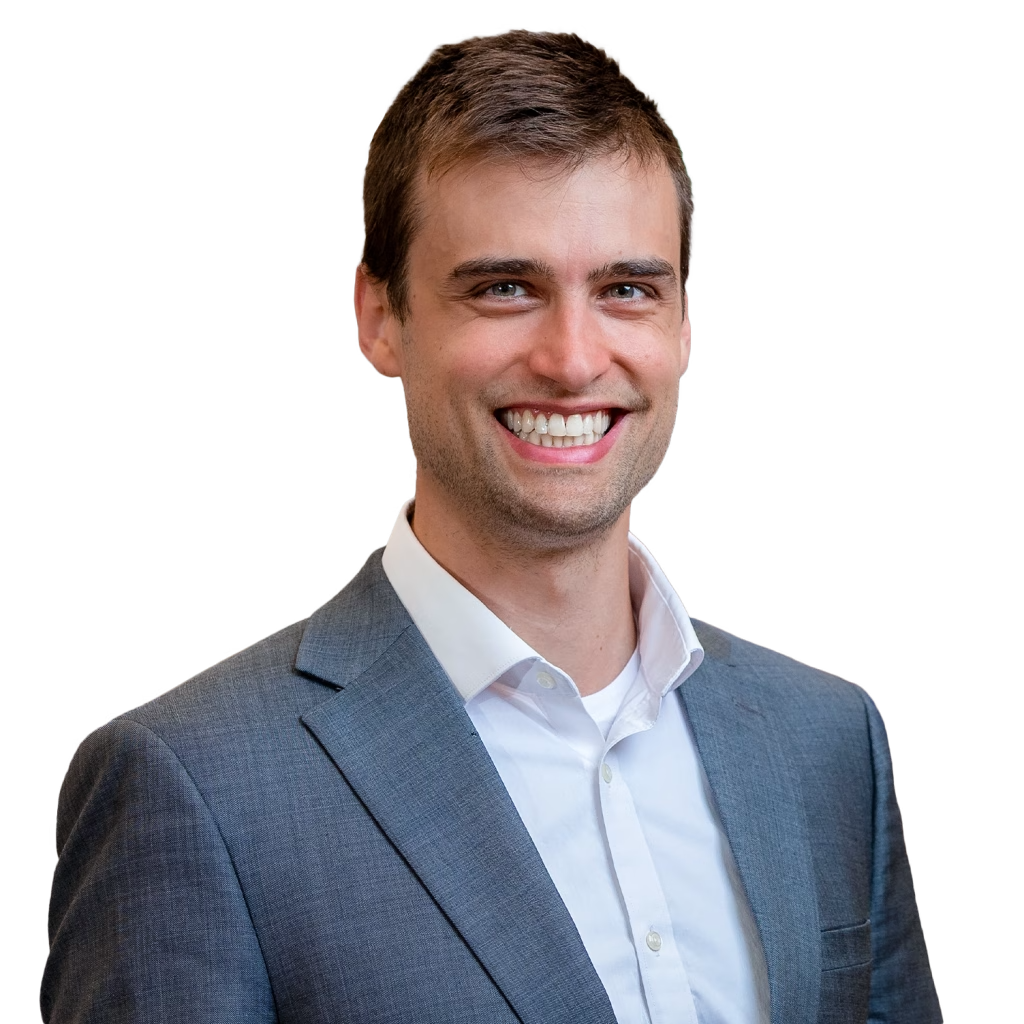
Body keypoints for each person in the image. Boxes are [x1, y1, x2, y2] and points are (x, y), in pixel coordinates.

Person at [42, 27, 941, 1024]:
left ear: (683, 324)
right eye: (504, 287)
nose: (571, 357)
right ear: (378, 315)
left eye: (626, 289)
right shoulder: (191, 785)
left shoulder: (827, 742)